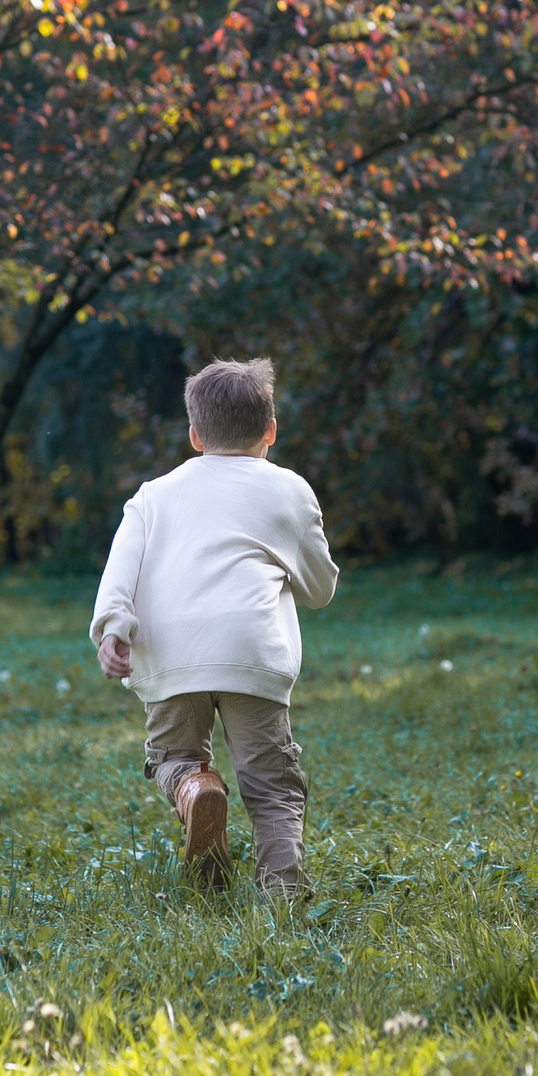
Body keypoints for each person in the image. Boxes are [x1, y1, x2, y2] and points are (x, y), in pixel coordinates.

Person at [91, 357, 338, 897]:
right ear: (270, 430)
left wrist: (114, 627)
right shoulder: (290, 489)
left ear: (195, 435)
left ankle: (193, 785)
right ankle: (283, 893)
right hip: (252, 654)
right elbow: (320, 590)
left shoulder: (153, 495)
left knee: (173, 756)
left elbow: (120, 568)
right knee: (272, 786)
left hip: (169, 655)